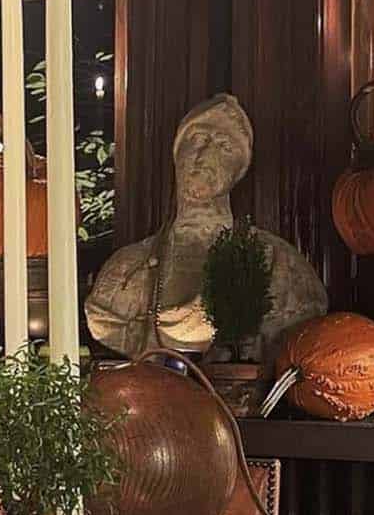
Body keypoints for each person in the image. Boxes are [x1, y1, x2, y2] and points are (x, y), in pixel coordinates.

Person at [86, 94, 327, 359]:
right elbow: (105, 324)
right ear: (178, 153)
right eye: (198, 139)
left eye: (224, 146)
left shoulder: (279, 264)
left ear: (238, 170)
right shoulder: (126, 268)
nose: (205, 154)